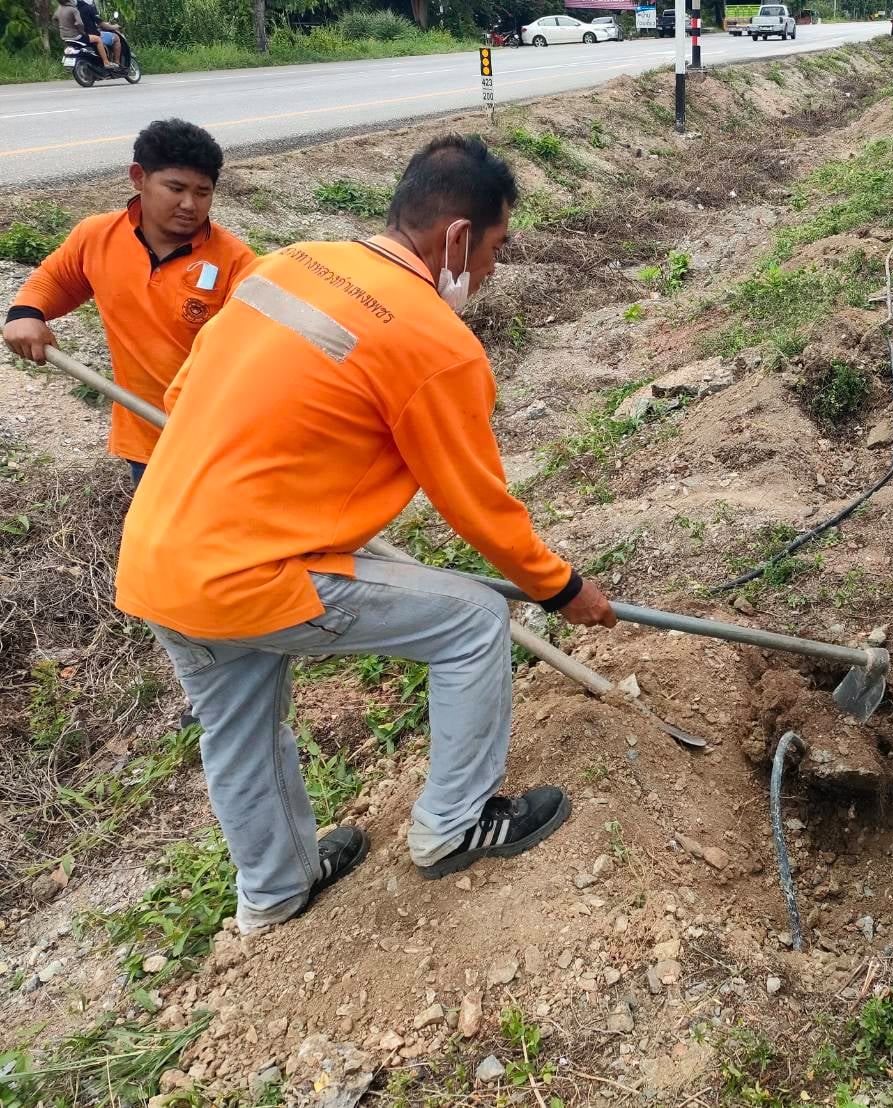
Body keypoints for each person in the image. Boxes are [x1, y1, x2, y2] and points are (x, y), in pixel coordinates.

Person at [112, 135, 617, 935]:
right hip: (252, 572)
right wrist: (562, 589)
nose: (490, 271)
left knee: (238, 729)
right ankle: (456, 825)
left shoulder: (285, 265)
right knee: (474, 620)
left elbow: (182, 394)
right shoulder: (435, 342)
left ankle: (274, 892)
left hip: (155, 558)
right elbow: (476, 506)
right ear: (457, 236)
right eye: (494, 250)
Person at [3, 120, 255, 486]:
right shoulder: (97, 237)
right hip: (145, 436)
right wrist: (26, 313)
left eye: (203, 192)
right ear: (139, 177)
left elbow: (259, 353)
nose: (189, 204)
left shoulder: (237, 263)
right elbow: (56, 279)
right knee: (151, 519)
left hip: (218, 442)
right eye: (176, 188)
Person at [76, 0, 118, 69]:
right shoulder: (89, 8)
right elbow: (102, 24)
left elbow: (85, 23)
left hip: (78, 36)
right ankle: (116, 63)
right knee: (116, 38)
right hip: (91, 35)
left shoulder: (74, 9)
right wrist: (114, 27)